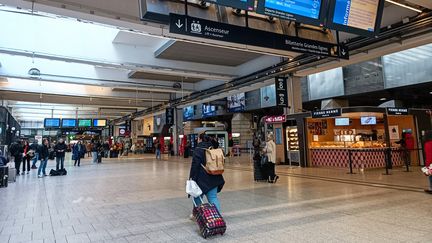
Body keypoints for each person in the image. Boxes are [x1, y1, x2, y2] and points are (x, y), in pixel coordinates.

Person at [189, 132, 225, 217]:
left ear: (200, 139)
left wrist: (192, 178)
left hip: (201, 179)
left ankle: (197, 215)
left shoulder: (198, 150)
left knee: (197, 197)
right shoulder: (213, 148)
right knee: (213, 197)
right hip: (215, 176)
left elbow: (195, 166)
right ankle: (217, 216)